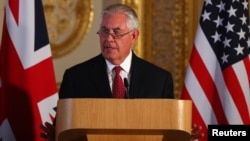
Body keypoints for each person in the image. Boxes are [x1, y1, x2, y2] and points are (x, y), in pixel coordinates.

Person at [40, 3, 202, 141]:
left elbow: (167, 130)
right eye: (104, 31)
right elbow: (64, 130)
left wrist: (182, 134)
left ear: (133, 36)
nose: (108, 39)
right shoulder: (76, 77)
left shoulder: (159, 79)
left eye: (116, 32)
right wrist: (57, 133)